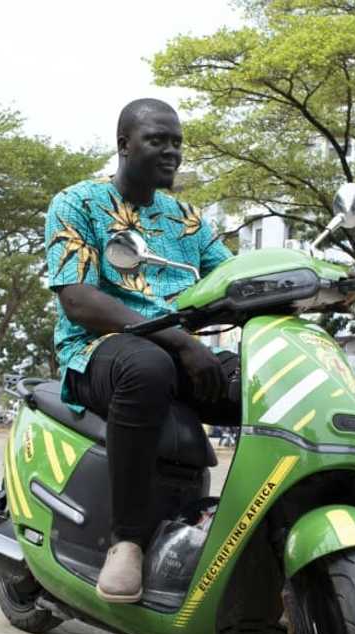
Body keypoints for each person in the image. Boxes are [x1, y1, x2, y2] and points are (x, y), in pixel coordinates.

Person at [45, 98, 238, 603]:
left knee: (268, 383)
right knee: (147, 367)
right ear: (124, 145)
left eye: (177, 142)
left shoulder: (187, 219)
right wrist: (177, 339)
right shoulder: (78, 203)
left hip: (181, 355)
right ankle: (126, 540)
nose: (172, 152)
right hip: (99, 352)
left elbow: (233, 280)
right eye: (158, 140)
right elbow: (78, 299)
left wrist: (314, 284)